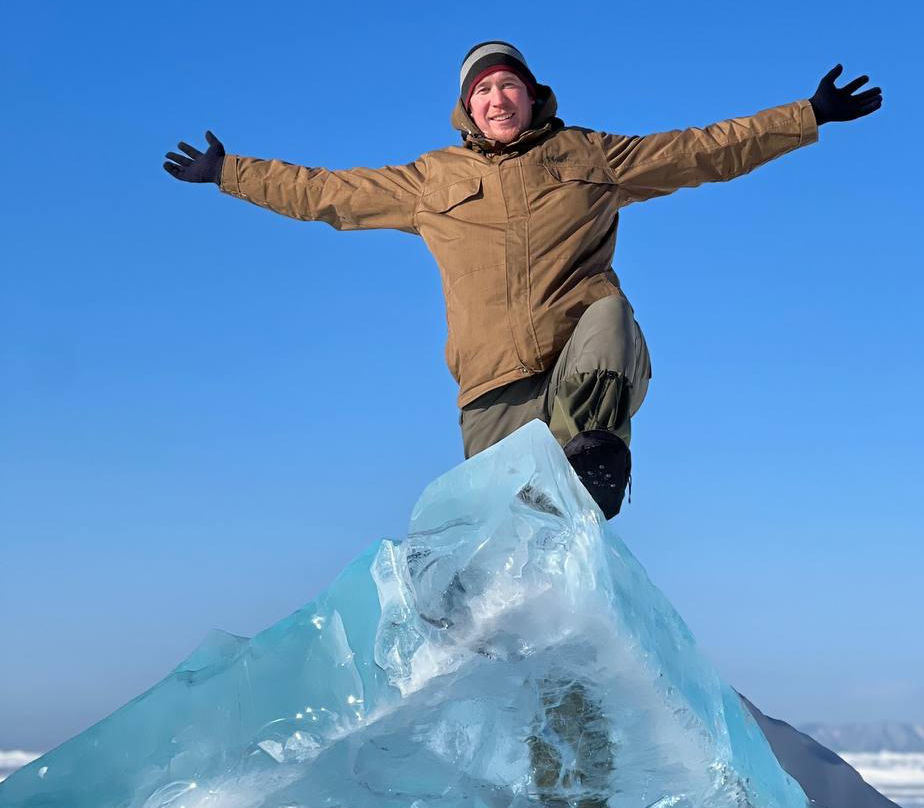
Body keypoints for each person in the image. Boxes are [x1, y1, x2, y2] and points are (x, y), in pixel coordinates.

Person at [164, 43, 881, 520]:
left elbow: (700, 151)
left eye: (509, 84)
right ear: (467, 109)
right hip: (491, 387)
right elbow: (327, 193)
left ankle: (597, 456)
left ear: (534, 97)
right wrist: (230, 173)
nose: (497, 97)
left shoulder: (592, 154)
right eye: (483, 90)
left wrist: (807, 115)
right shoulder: (431, 180)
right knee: (507, 545)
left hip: (578, 358)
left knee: (611, 315)